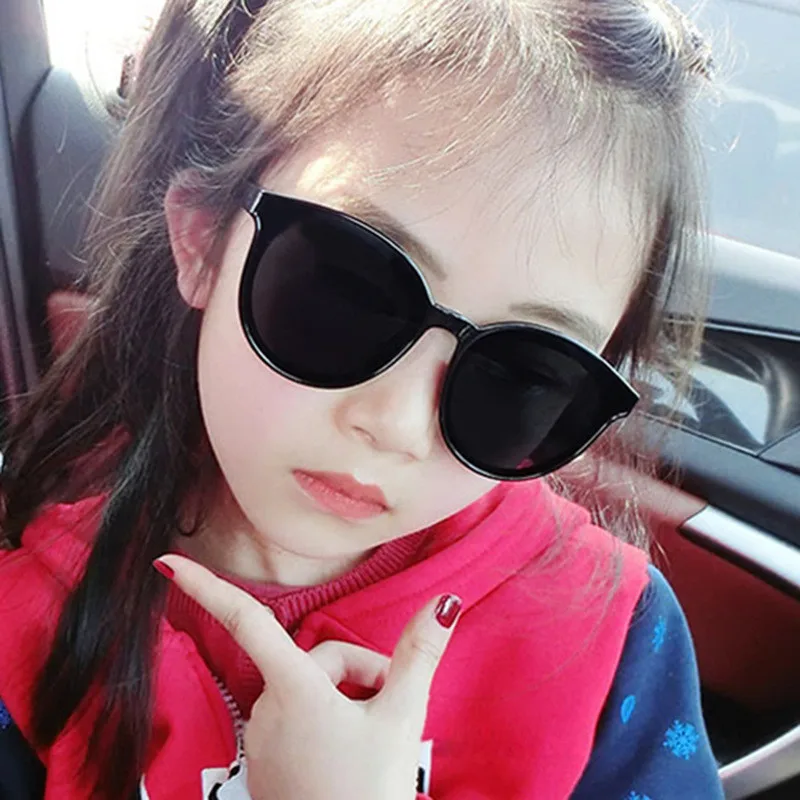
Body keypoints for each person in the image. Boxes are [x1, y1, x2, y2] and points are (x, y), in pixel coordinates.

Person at [0, 0, 725, 797]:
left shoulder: (613, 639)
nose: (398, 425)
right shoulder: (21, 626)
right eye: (347, 293)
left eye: (523, 370)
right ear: (202, 241)